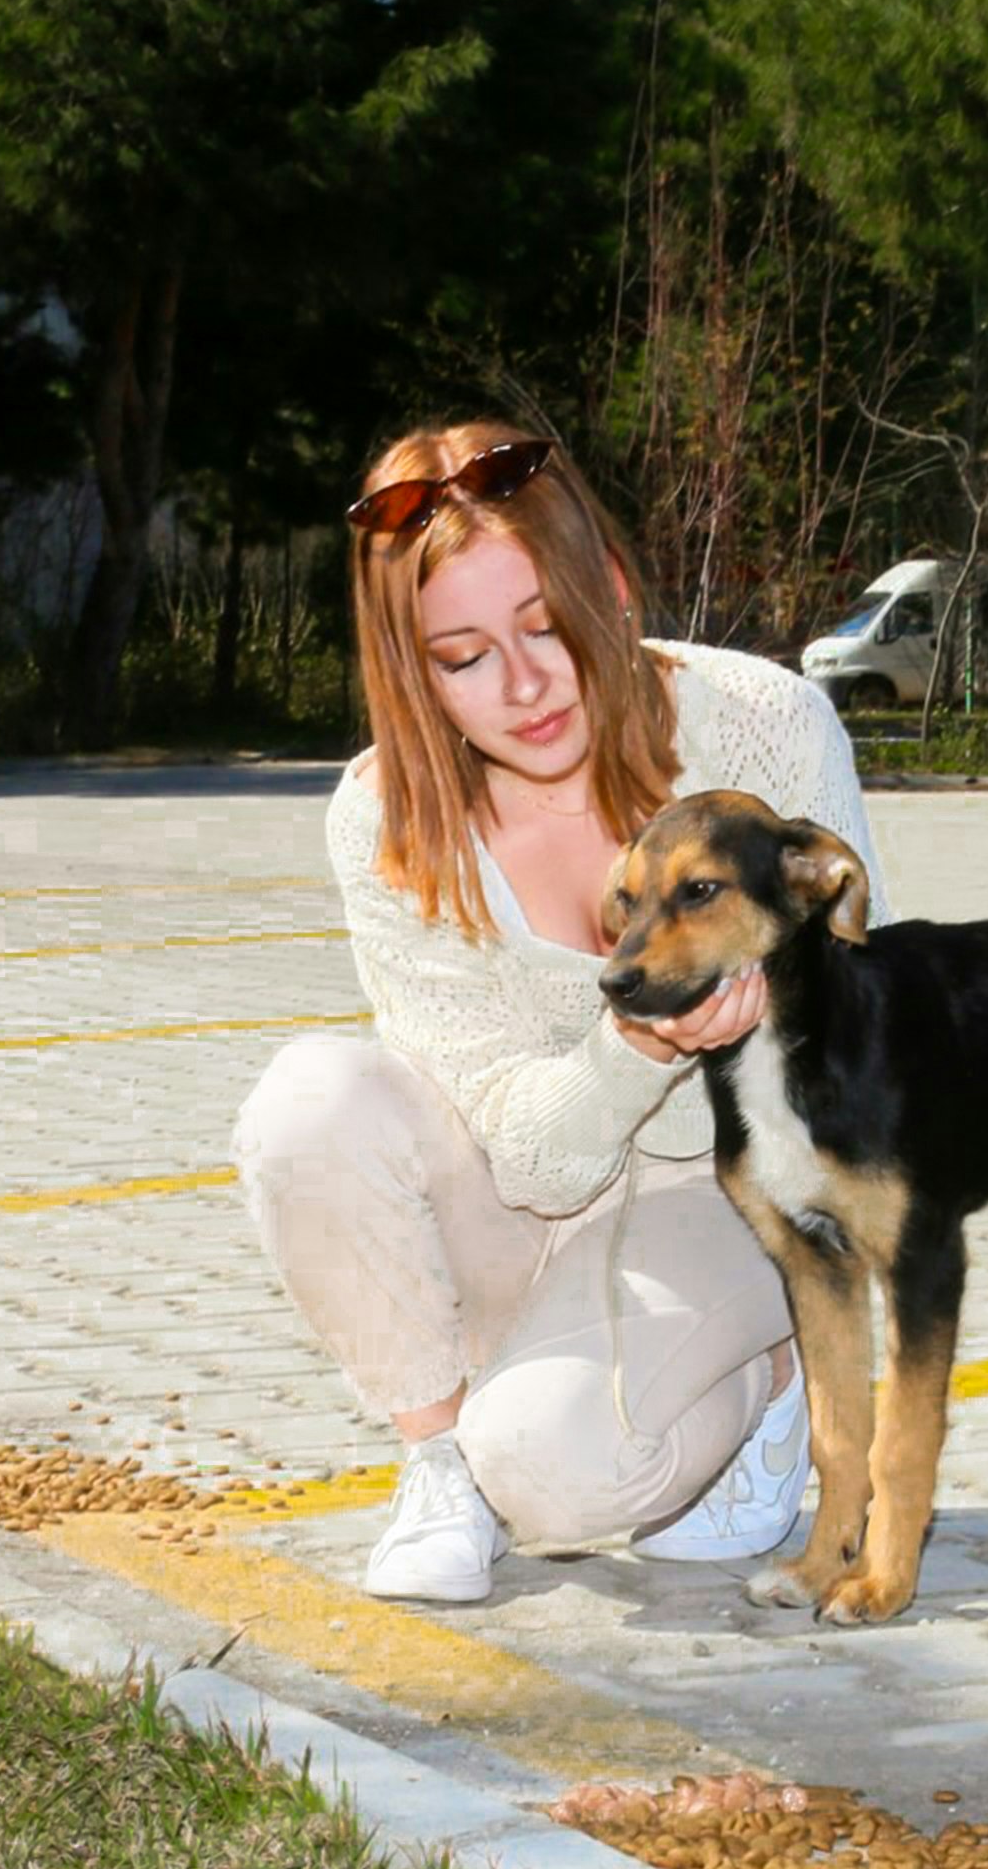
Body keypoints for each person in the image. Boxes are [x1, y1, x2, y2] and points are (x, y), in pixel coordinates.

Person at [233, 423, 887, 1603]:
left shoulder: (765, 725)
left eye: (546, 625)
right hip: (531, 1178)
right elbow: (526, 1157)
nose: (525, 686)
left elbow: (851, 1058)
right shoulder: (385, 816)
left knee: (557, 1481)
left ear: (613, 589)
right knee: (306, 1107)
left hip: (733, 1192)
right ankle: (441, 1465)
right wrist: (634, 1044)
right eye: (463, 655)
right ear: (409, 668)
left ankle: (776, 1376)